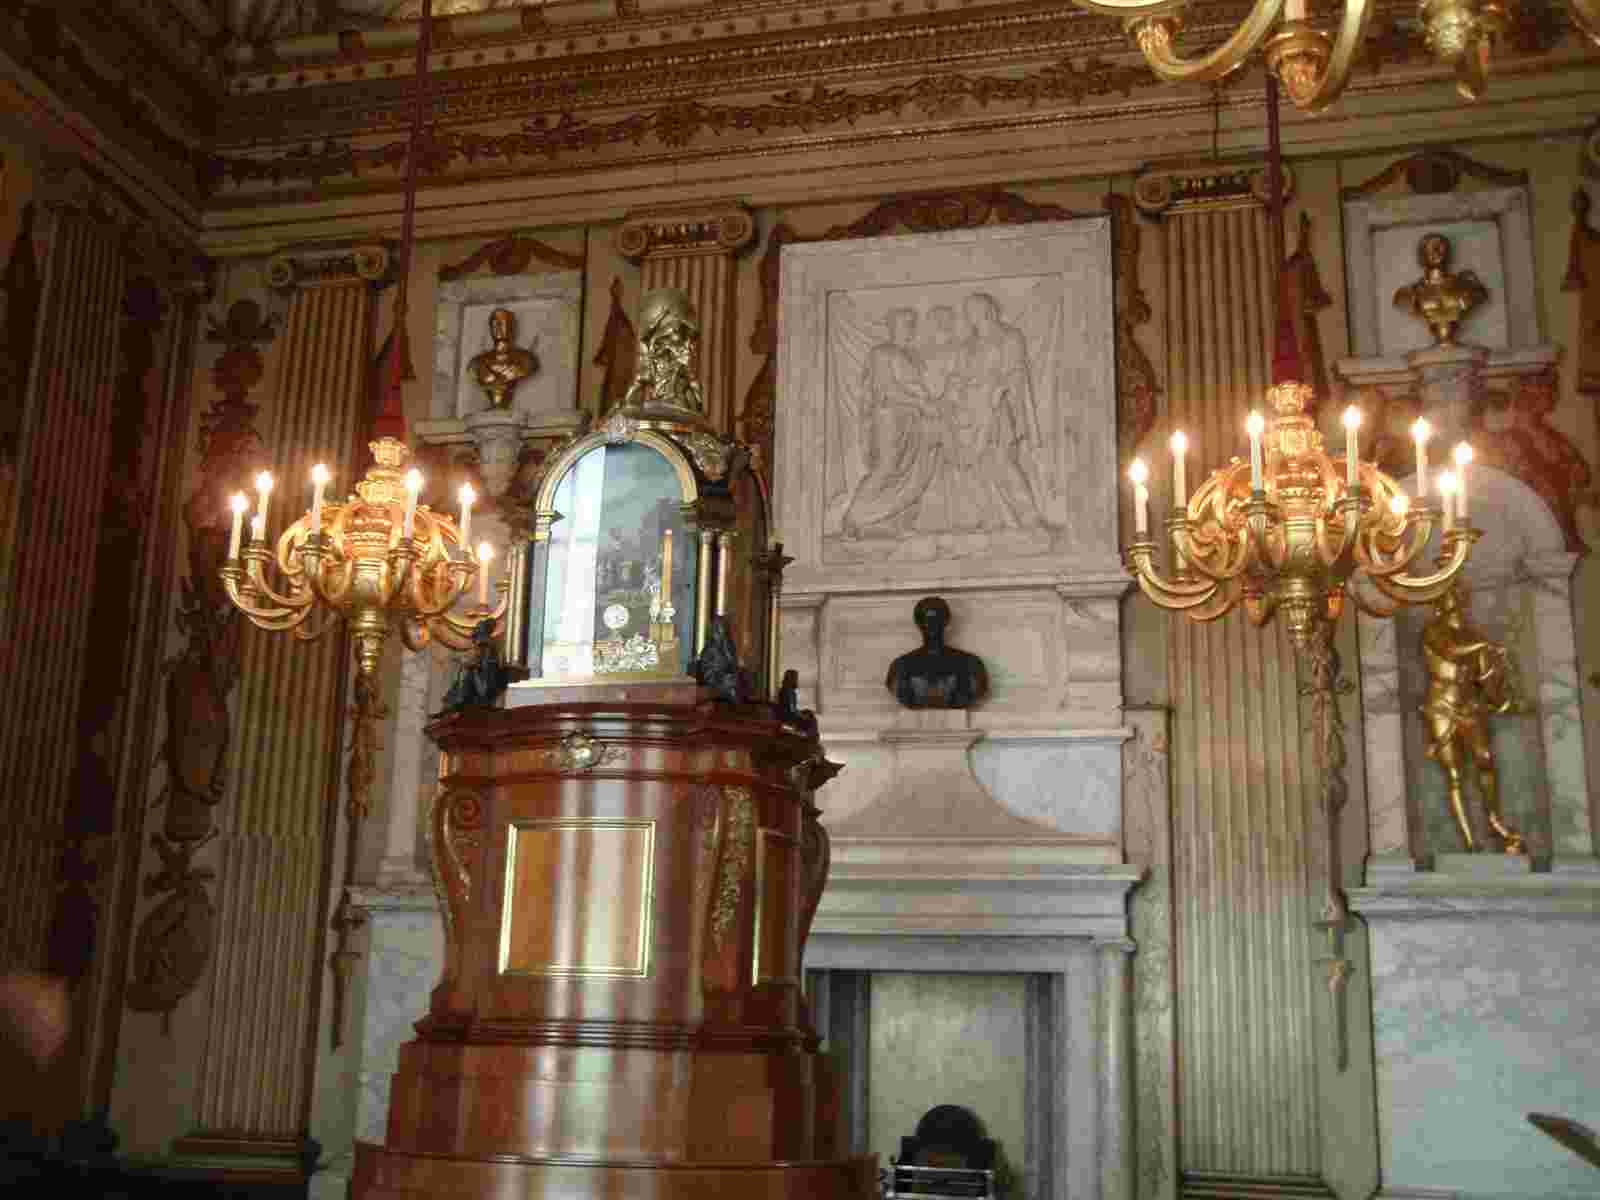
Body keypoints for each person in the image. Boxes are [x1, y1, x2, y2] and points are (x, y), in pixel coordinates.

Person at [1420, 586, 1523, 852]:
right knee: (1454, 773)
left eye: (1456, 591)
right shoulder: (1434, 631)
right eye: (1446, 592)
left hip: (1469, 706)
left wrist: (1498, 689)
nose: (1453, 595)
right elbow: (1452, 651)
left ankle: (1495, 822)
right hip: (1442, 706)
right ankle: (1469, 841)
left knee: (1485, 759)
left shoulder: (1473, 635)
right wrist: (1484, 646)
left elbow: (1483, 676)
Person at [940, 292, 1046, 530]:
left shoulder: (1008, 337)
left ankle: (1028, 516)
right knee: (976, 464)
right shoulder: (968, 346)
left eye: (975, 310)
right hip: (970, 410)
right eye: (968, 312)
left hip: (995, 407)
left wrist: (999, 390)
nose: (971, 316)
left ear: (988, 309)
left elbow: (1017, 371)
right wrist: (950, 397)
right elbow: (957, 376)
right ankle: (991, 518)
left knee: (1002, 459)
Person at [842, 308, 942, 536]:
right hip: (890, 417)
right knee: (888, 467)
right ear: (892, 326)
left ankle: (899, 523)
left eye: (911, 324)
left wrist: (929, 404)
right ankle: (853, 518)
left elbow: (922, 387)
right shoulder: (882, 353)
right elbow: (886, 388)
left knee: (913, 468)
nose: (909, 329)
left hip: (913, 419)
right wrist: (919, 402)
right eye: (904, 324)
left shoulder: (912, 356)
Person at [884, 596, 988, 709]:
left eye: (936, 619)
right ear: (918, 623)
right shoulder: (900, 666)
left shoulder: (971, 664)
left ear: (946, 621)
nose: (931, 624)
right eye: (926, 620)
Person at [1392, 232, 1488, 347]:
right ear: (1421, 256)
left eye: (1441, 247)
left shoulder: (1467, 286)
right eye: (1431, 247)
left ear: (1448, 253)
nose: (1436, 251)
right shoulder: (1408, 294)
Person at [622, 287, 706, 414]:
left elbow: (695, 394)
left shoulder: (682, 370)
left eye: (690, 340)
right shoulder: (650, 364)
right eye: (681, 337)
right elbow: (632, 397)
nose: (689, 348)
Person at [466, 307, 538, 409]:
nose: (498, 327)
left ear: (511, 328)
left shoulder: (526, 359)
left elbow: (525, 369)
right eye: (494, 323)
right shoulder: (476, 363)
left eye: (502, 323)